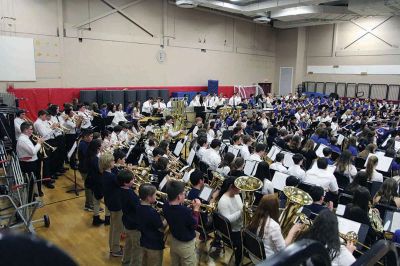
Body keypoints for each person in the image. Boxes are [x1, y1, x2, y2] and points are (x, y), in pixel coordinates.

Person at [247, 194, 301, 263]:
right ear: (275, 208)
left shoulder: (255, 217)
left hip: (252, 255)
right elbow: (283, 249)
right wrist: (292, 232)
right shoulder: (273, 226)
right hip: (267, 261)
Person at [163, 180, 201, 266]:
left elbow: (178, 214)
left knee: (175, 263)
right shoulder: (185, 211)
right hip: (186, 245)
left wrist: (185, 207)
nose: (185, 195)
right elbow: (194, 225)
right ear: (179, 196)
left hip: (174, 241)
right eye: (184, 193)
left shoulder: (165, 205)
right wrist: (196, 210)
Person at [137, 184, 166, 266]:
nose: (156, 197)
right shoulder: (152, 212)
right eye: (155, 195)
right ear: (149, 198)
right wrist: (167, 218)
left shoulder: (138, 206)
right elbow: (161, 226)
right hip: (154, 245)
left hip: (144, 241)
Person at [100, 153, 123, 256]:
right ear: (109, 163)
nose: (114, 162)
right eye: (113, 161)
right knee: (117, 228)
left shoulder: (106, 173)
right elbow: (121, 184)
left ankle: (113, 246)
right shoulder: (111, 177)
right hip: (116, 204)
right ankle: (115, 250)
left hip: (110, 203)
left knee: (114, 226)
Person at [217, 177, 243, 266]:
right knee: (249, 241)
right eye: (238, 187)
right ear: (231, 186)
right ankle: (238, 262)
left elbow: (241, 208)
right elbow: (227, 220)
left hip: (240, 226)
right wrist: (241, 212)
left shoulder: (237, 195)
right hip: (232, 232)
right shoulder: (223, 201)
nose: (240, 189)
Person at [119, 169, 142, 266]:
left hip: (126, 222)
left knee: (128, 244)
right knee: (137, 248)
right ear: (125, 182)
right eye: (132, 179)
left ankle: (125, 261)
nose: (134, 181)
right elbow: (138, 208)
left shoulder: (120, 190)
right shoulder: (131, 195)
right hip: (134, 225)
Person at [16, 122, 45, 199]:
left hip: (29, 163)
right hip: (28, 164)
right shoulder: (24, 140)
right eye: (31, 129)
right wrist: (39, 143)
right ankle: (29, 200)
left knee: (31, 182)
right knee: (30, 182)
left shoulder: (25, 138)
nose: (32, 131)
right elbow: (32, 152)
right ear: (25, 130)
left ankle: (31, 197)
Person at [85, 139, 104, 226]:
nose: (103, 146)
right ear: (98, 148)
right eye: (102, 144)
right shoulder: (95, 158)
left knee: (96, 201)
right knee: (97, 201)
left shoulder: (92, 155)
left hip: (94, 180)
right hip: (96, 181)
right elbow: (100, 170)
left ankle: (96, 218)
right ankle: (96, 219)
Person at [77, 129, 94, 211]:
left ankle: (90, 203)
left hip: (87, 167)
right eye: (91, 136)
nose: (92, 138)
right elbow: (88, 155)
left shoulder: (87, 143)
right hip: (84, 168)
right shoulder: (83, 144)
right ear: (85, 137)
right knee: (88, 187)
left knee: (90, 186)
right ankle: (89, 205)